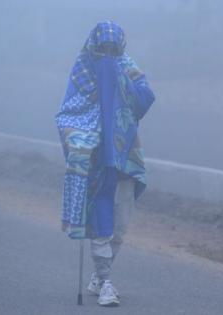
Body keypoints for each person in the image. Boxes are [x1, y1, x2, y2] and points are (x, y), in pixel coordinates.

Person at [55, 21, 155, 307]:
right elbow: (68, 115)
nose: (108, 56)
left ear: (120, 48)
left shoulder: (126, 67)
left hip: (125, 157)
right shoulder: (83, 72)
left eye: (113, 50)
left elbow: (145, 99)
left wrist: (118, 80)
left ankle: (100, 277)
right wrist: (81, 142)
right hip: (96, 159)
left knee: (120, 222)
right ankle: (106, 279)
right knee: (102, 219)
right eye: (103, 50)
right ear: (94, 48)